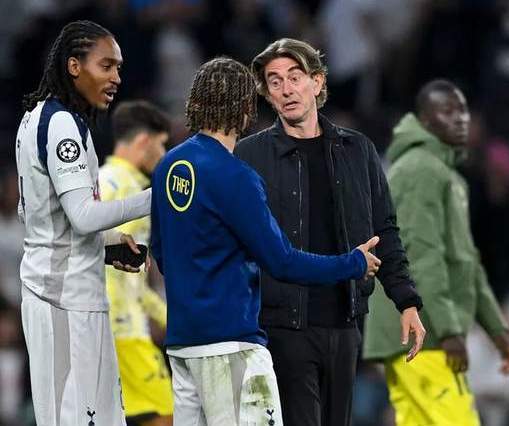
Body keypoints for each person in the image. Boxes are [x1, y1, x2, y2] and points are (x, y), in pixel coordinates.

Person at [150, 56, 382, 426]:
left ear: (196, 102)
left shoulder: (168, 166)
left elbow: (161, 253)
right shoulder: (235, 176)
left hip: (183, 345)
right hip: (230, 346)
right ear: (245, 108)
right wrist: (352, 263)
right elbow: (282, 261)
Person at [234, 38, 425, 426]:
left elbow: (384, 230)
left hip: (345, 321)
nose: (286, 89)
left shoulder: (358, 150)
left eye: (295, 77)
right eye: (274, 81)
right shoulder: (250, 155)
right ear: (267, 94)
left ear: (317, 82)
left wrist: (406, 300)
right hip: (281, 327)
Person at [15, 20, 151, 426]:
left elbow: (36, 216)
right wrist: (155, 198)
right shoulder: (61, 124)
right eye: (106, 66)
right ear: (74, 66)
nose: (116, 78)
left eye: (118, 68)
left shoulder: (40, 118)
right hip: (63, 299)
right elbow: (83, 216)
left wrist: (105, 244)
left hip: (67, 293)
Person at [363, 79, 509, 426]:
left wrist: (496, 328)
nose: (460, 118)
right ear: (425, 121)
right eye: (447, 111)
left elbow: (466, 261)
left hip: (424, 330)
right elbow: (422, 258)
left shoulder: (446, 176)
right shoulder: (421, 171)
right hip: (422, 332)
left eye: (462, 110)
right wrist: (449, 331)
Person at [99, 100, 173, 426]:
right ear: (144, 141)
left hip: (108, 326)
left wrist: (168, 318)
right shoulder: (128, 189)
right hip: (123, 329)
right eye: (161, 144)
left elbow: (130, 277)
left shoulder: (101, 180)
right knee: (164, 415)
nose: (163, 153)